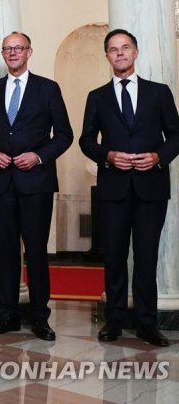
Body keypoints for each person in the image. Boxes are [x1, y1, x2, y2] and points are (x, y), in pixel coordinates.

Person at [79, 29, 179, 347]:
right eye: (113, 49)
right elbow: (85, 140)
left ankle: (147, 322)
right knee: (115, 256)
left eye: (125, 48)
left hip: (151, 188)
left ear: (135, 53)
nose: (119, 53)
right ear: (107, 56)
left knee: (147, 256)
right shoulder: (97, 97)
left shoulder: (159, 93)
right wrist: (107, 155)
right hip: (113, 188)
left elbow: (175, 135)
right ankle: (115, 319)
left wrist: (158, 157)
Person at [0, 31, 72, 341]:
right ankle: (8, 314)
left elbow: (65, 135)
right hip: (1, 183)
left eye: (18, 48)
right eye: (7, 48)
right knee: (5, 250)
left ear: (30, 51)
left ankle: (40, 317)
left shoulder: (48, 89)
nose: (13, 53)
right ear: (3, 54)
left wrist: (39, 157)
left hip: (36, 184)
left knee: (37, 251)